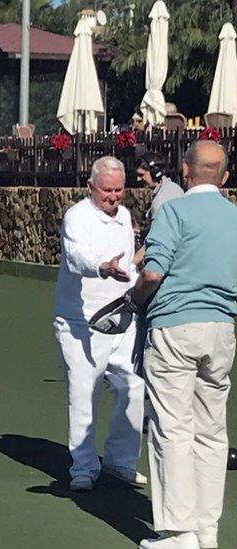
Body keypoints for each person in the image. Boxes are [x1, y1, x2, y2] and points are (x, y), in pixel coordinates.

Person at [132, 141, 237, 549]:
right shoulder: (234, 216)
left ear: (185, 171)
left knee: (172, 428)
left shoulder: (174, 211)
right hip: (221, 329)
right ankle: (207, 532)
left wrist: (134, 299)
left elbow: (153, 274)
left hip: (174, 327)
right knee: (212, 432)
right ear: (224, 177)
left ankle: (178, 533)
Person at [53, 156, 146, 492]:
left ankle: (120, 462)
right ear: (91, 187)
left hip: (121, 316)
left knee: (134, 387)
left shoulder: (123, 216)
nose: (113, 197)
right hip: (79, 323)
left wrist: (135, 280)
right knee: (84, 393)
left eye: (119, 190)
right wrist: (101, 267)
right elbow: (76, 256)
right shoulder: (77, 217)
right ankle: (84, 466)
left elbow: (127, 263)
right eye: (106, 190)